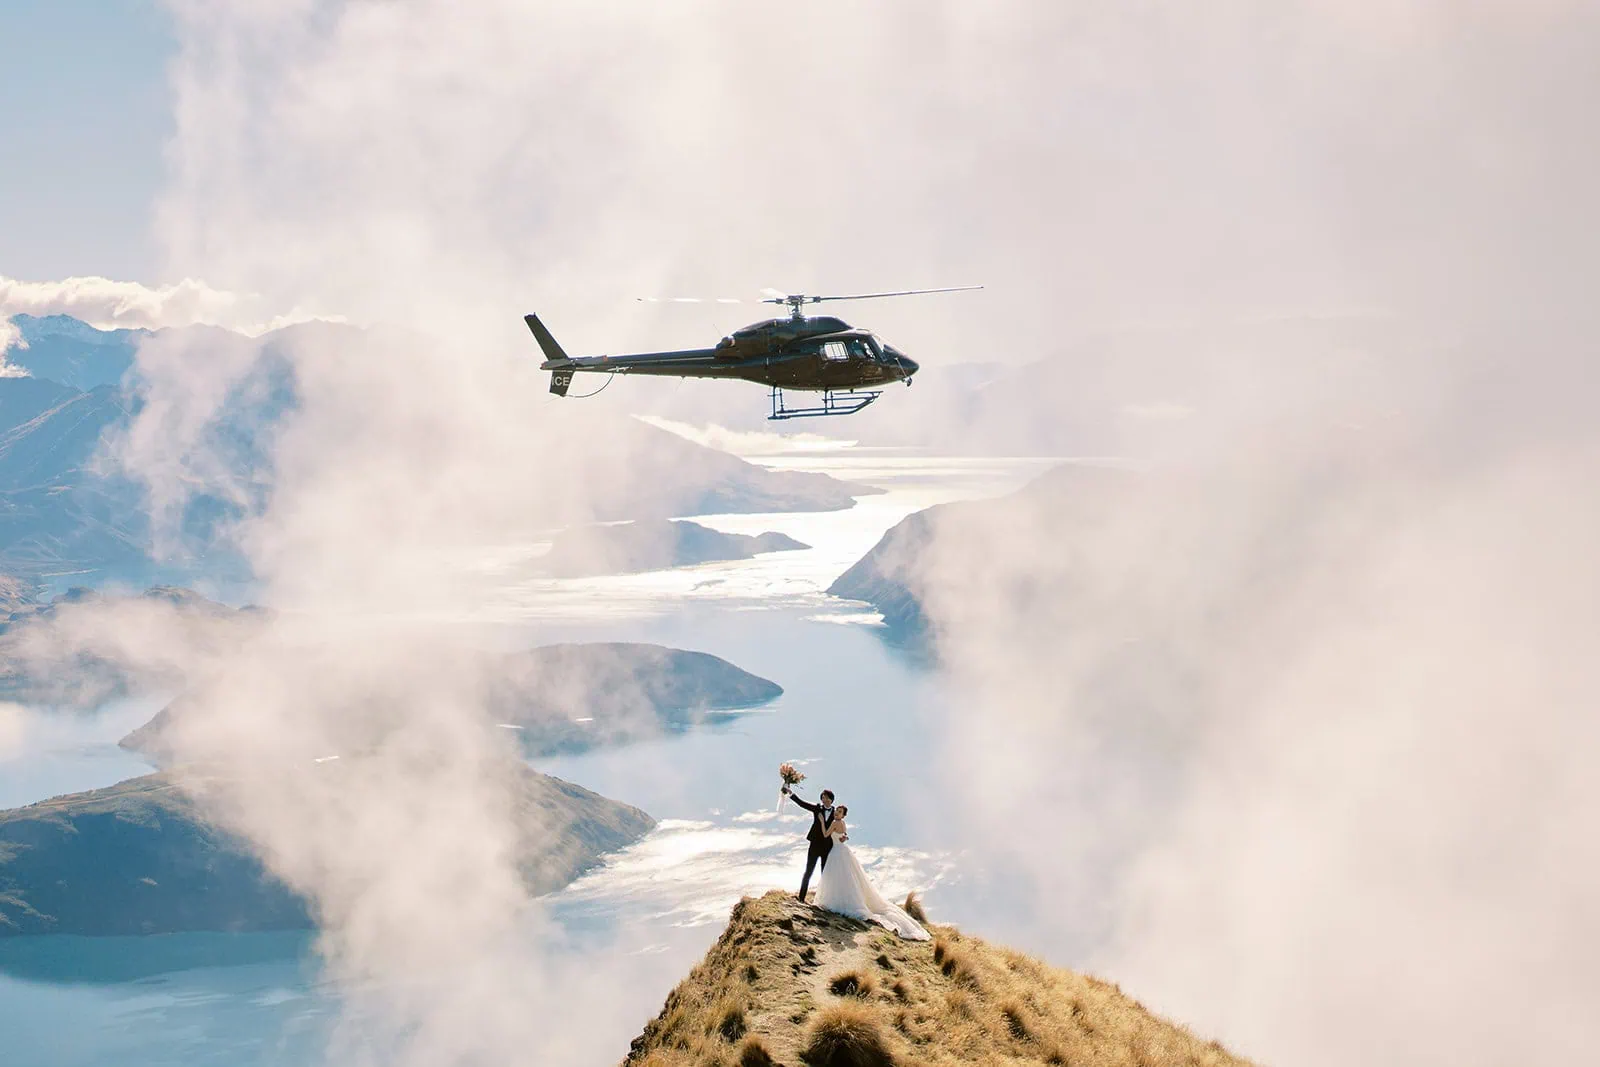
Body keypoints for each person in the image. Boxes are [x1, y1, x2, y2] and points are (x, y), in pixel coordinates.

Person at [814, 805, 930, 940]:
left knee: (838, 877)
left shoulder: (835, 823)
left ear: (843, 815)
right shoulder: (843, 823)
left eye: (839, 812)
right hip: (844, 851)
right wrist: (844, 838)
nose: (836, 813)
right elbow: (844, 835)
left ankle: (837, 901)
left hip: (837, 853)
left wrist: (821, 822)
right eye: (836, 811)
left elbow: (825, 834)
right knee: (847, 878)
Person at [783, 785, 835, 902]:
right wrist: (790, 793)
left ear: (832, 799)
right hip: (815, 844)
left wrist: (844, 836)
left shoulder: (836, 812)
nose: (825, 800)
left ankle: (825, 900)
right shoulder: (817, 808)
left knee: (825, 874)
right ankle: (801, 897)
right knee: (808, 871)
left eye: (827, 798)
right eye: (823, 797)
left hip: (827, 846)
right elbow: (802, 804)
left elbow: (839, 826)